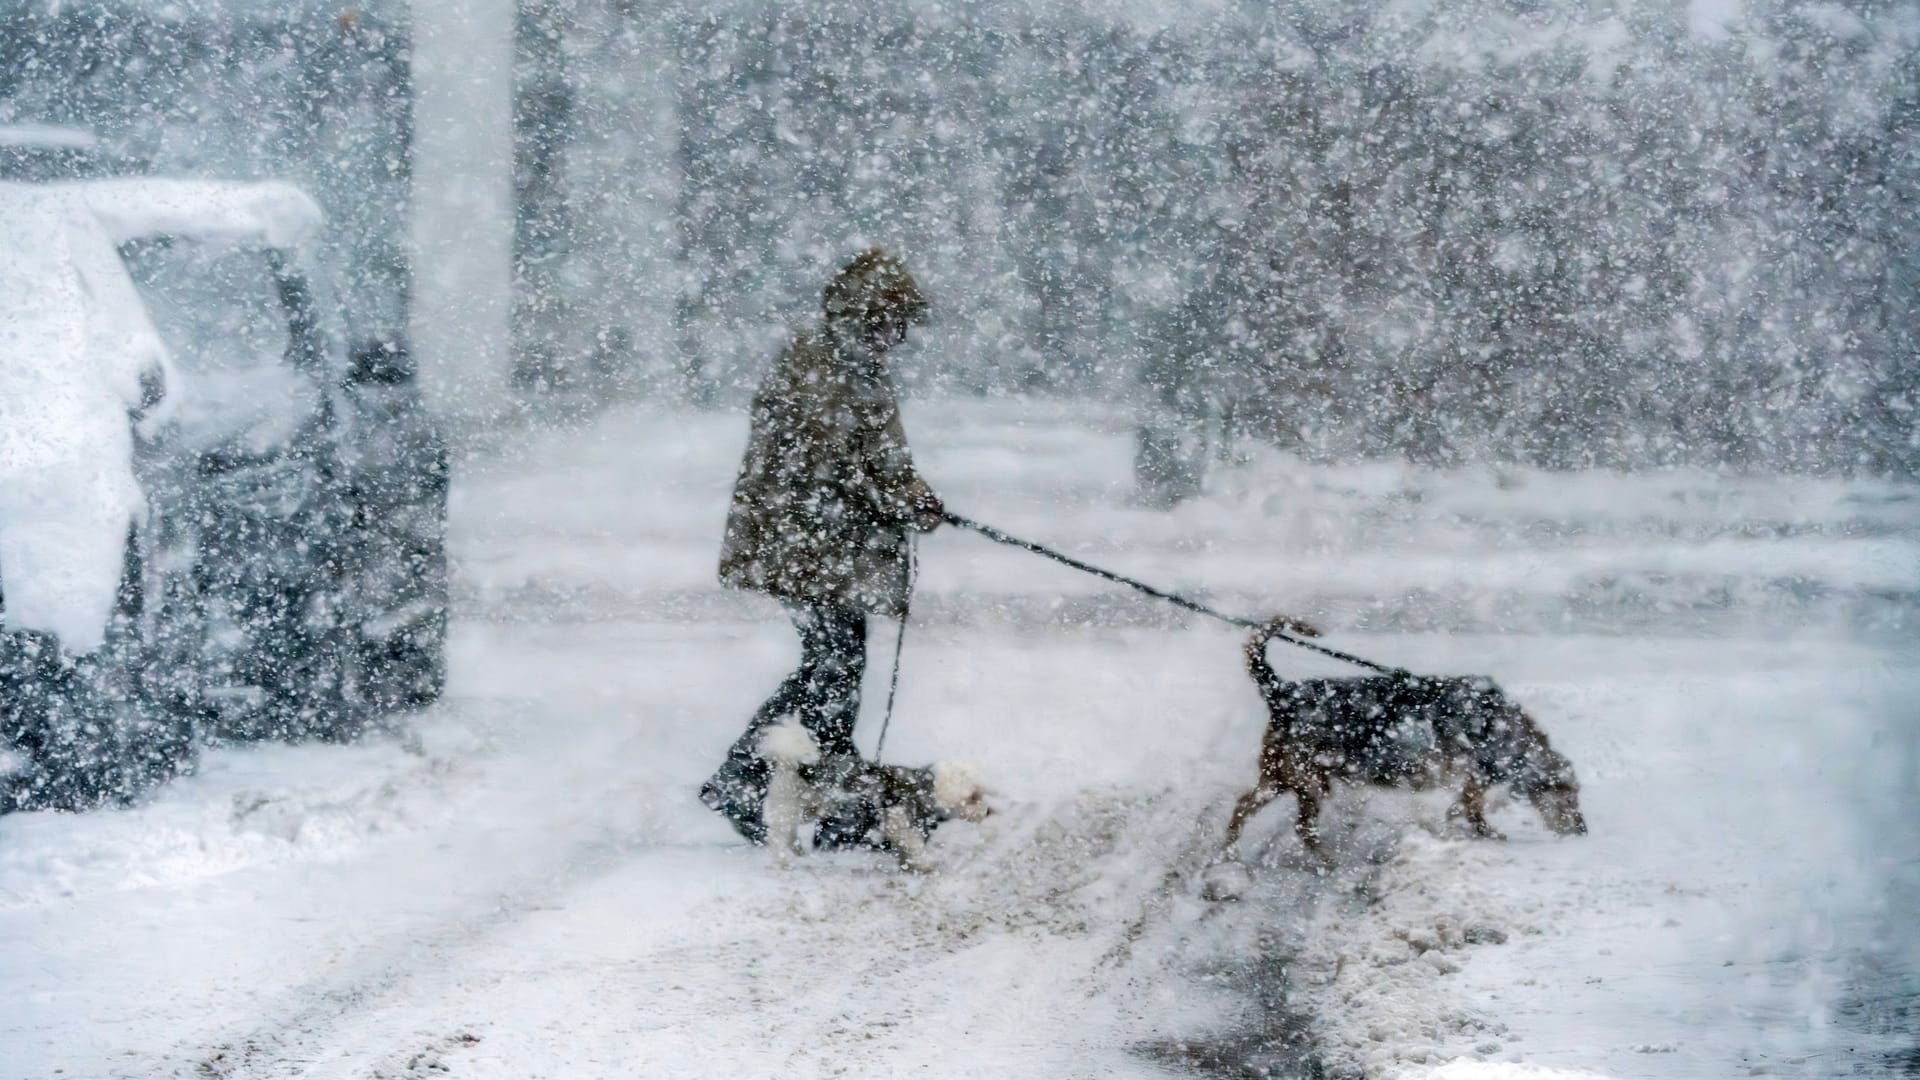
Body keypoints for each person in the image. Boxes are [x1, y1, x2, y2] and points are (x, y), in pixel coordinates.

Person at [700, 249, 943, 842]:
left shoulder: (853, 366)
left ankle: (804, 780)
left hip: (824, 543)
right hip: (807, 542)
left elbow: (867, 456)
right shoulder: (821, 365)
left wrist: (907, 490)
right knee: (833, 665)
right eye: (891, 321)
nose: (899, 334)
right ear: (862, 316)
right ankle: (769, 777)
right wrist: (898, 497)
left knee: (832, 663)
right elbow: (832, 460)